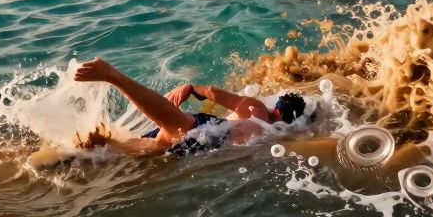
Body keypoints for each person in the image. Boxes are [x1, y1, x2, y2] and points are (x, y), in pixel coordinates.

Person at [73, 57, 306, 155]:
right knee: (168, 125)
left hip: (209, 129)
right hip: (208, 133)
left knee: (132, 149)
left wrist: (191, 88)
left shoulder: (256, 110)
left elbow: (213, 92)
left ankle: (81, 150)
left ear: (277, 108)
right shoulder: (268, 127)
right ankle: (112, 75)